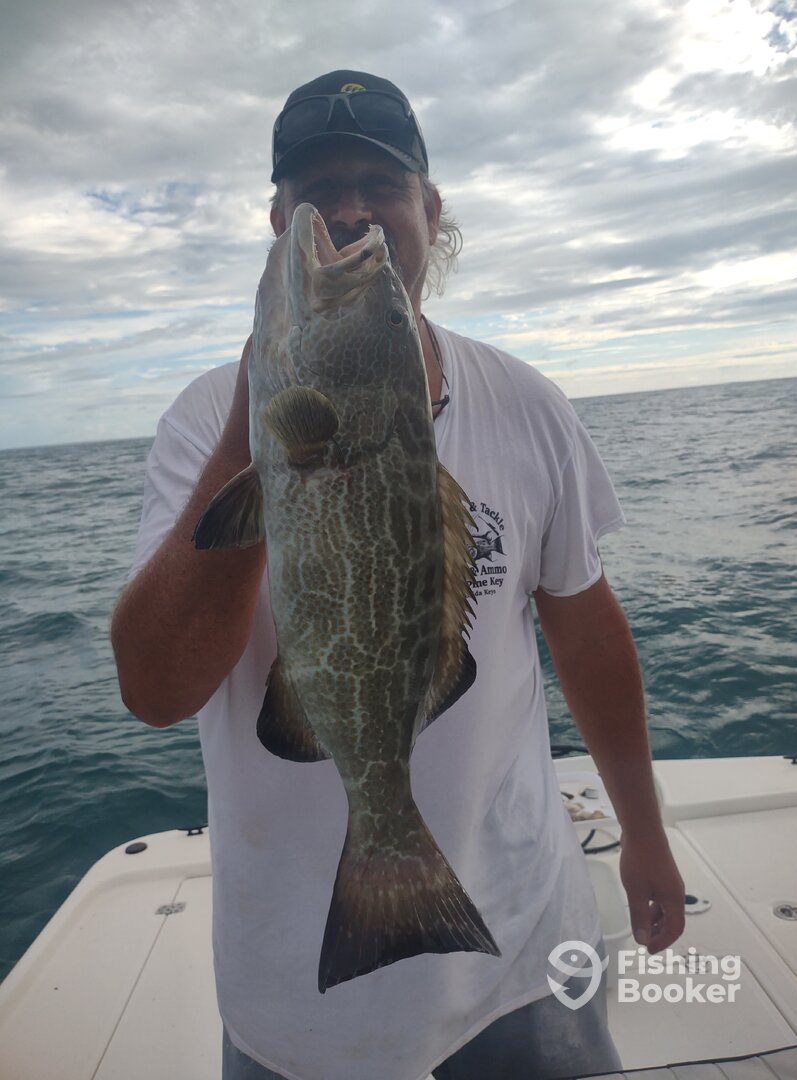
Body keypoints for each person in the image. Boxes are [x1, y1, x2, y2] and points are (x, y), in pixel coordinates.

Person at [111, 70, 685, 1080]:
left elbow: (587, 632)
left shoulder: (528, 406)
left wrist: (645, 833)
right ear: (278, 224)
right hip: (298, 998)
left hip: (527, 949)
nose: (350, 211)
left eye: (380, 183)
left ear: (430, 208)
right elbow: (154, 690)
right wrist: (259, 429)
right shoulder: (203, 424)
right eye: (317, 191)